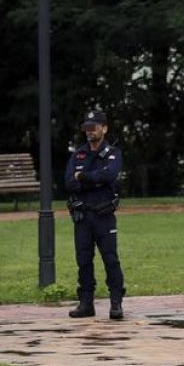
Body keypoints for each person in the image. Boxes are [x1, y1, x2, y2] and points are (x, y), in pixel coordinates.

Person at [64, 109, 126, 319]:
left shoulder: (113, 153)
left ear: (104, 128)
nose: (90, 131)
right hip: (83, 216)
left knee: (110, 259)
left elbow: (110, 175)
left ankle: (116, 303)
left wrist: (83, 177)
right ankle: (86, 303)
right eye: (87, 128)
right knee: (83, 260)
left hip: (104, 215)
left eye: (94, 127)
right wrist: (92, 180)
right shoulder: (79, 154)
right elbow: (69, 183)